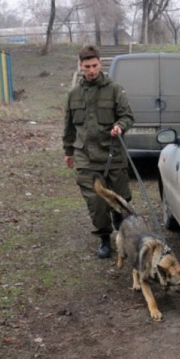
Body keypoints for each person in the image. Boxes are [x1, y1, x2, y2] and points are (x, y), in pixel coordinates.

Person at [63, 45, 134, 258]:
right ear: (80, 66)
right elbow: (68, 126)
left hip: (112, 155)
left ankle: (122, 231)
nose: (91, 70)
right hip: (86, 156)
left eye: (94, 66)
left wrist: (120, 126)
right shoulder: (73, 94)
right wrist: (68, 151)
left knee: (121, 200)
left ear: (100, 64)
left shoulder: (114, 89)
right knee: (95, 202)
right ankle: (104, 237)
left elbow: (128, 116)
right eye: (87, 66)